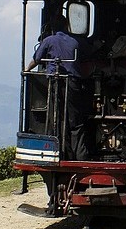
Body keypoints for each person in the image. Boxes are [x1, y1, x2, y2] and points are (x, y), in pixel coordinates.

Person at [25, 15, 91, 161]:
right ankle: (80, 156)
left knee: (57, 119)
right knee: (75, 121)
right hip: (73, 83)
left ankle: (60, 153)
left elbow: (36, 59)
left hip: (55, 83)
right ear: (67, 25)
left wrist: (26, 70)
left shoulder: (49, 41)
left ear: (52, 28)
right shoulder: (75, 41)